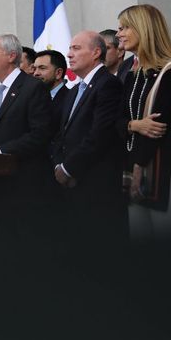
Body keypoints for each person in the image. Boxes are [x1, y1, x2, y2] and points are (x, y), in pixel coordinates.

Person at [117, 4, 171, 241]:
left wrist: (139, 165)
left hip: (162, 167)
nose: (119, 34)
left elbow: (159, 125)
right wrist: (133, 125)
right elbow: (117, 120)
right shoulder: (132, 72)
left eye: (125, 27)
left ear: (144, 29)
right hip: (133, 165)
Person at [52, 31, 125, 252]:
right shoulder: (75, 91)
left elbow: (100, 134)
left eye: (76, 48)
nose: (69, 54)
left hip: (96, 184)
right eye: (70, 48)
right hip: (71, 186)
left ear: (96, 53)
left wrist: (69, 168)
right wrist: (58, 165)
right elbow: (60, 135)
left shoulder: (108, 84)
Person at [0, 34, 53, 248]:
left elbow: (41, 133)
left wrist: (0, 150)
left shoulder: (33, 87)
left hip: (25, 186)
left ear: (12, 56)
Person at [33, 49, 69, 135]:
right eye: (35, 69)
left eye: (42, 68)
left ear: (58, 73)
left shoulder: (70, 98)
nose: (35, 73)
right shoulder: (33, 98)